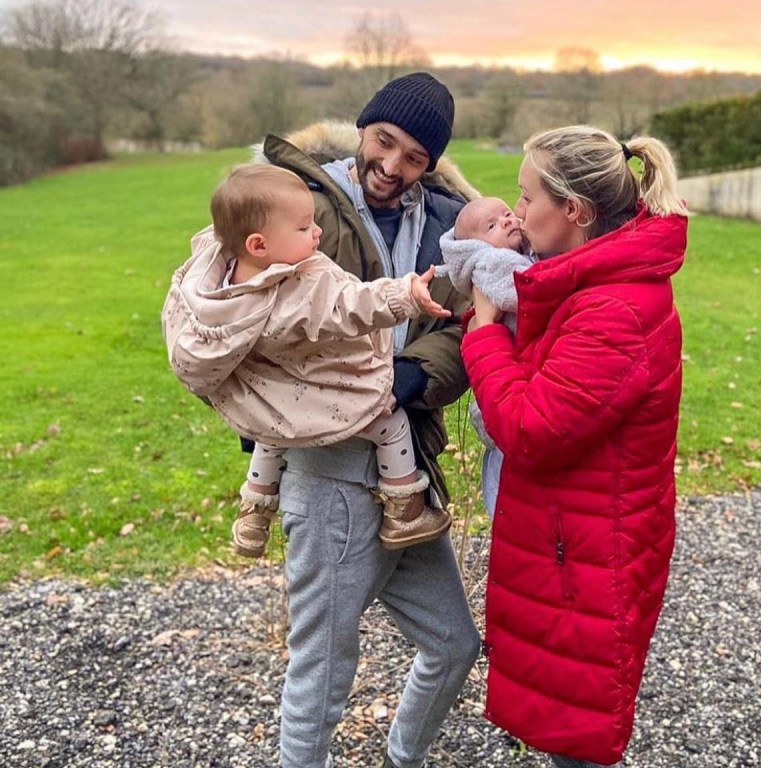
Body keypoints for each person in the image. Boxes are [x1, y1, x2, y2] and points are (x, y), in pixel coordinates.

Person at [255, 73, 481, 768]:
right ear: (363, 128)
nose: (392, 167)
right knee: (321, 673)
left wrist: (414, 377)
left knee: (454, 644)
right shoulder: (296, 201)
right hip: (328, 469)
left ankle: (402, 757)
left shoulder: (446, 220)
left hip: (406, 463)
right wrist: (268, 405)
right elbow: (244, 310)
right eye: (384, 142)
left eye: (415, 157)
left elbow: (466, 317)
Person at [461, 125, 688, 768]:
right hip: (576, 540)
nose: (518, 211)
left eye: (528, 197)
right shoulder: (588, 282)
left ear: (576, 212)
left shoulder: (613, 309)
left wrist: (483, 332)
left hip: (586, 556)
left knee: (578, 731)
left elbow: (530, 429)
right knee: (565, 715)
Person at [161, 163, 453, 559]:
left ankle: (253, 514)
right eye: (303, 228)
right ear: (259, 245)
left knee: (271, 433)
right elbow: (353, 305)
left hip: (269, 400)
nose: (316, 232)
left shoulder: (215, 284)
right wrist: (406, 295)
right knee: (389, 422)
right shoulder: (297, 291)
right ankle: (405, 512)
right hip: (323, 390)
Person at [436, 197, 536, 515]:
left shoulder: (514, 254)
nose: (507, 221)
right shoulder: (491, 264)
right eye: (492, 226)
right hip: (505, 379)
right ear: (471, 248)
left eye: (507, 214)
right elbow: (525, 291)